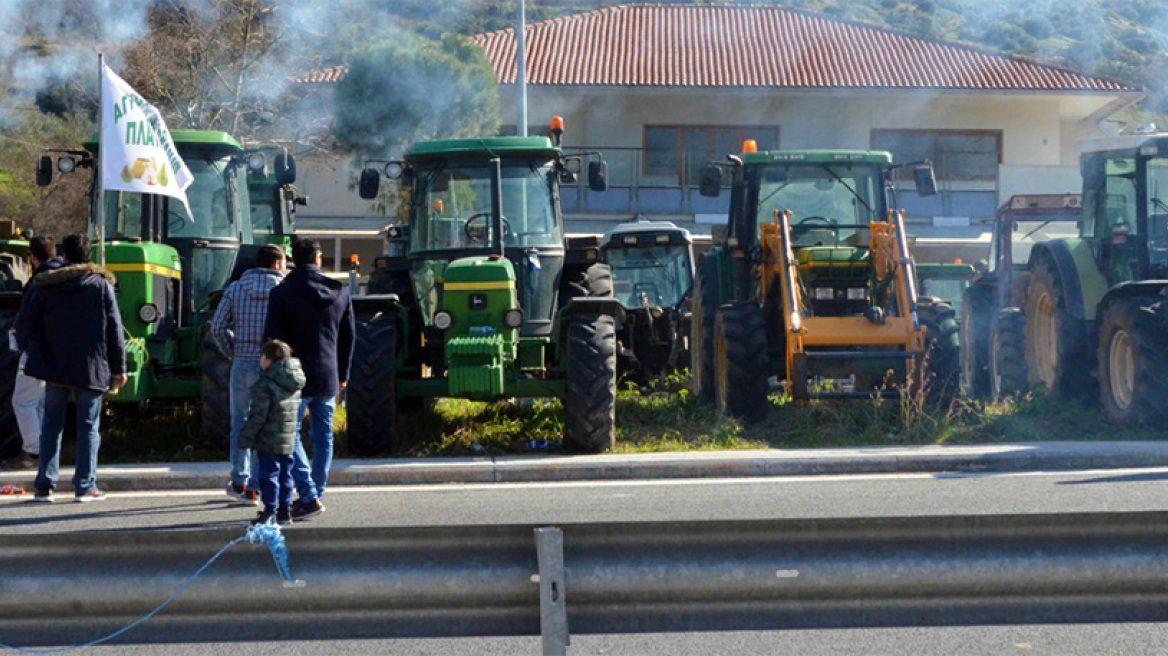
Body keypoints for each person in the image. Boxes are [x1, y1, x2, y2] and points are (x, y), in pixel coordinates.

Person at [16, 233, 126, 502]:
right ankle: (85, 486)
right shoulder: (101, 286)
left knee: (51, 426)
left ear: (63, 256)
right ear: (88, 256)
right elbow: (114, 330)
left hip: (55, 366)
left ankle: (45, 485)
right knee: (88, 427)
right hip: (91, 366)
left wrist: (39, 354)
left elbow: (27, 326)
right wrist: (119, 368)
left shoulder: (47, 284)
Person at [265, 238, 354, 520]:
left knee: (288, 434)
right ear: (318, 259)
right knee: (323, 436)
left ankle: (308, 495)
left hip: (292, 377)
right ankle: (316, 493)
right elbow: (349, 337)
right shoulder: (340, 292)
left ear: (293, 260)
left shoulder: (281, 293)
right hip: (328, 374)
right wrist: (343, 373)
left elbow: (273, 339)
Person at [211, 244, 287, 505]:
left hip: (242, 363)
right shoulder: (284, 289)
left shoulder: (236, 288)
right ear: (276, 264)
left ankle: (240, 481)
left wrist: (232, 351)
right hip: (274, 365)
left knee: (241, 424)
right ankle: (258, 484)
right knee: (267, 426)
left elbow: (218, 327)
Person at [1, 236, 63, 471]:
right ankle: (46, 451)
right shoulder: (64, 278)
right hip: (58, 349)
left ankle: (34, 451)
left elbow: (27, 318)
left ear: (33, 258)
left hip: (38, 350)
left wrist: (20, 338)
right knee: (41, 402)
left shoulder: (38, 282)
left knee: (23, 402)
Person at [237, 340, 305, 526]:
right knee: (286, 475)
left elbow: (258, 415)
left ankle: (269, 511)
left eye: (262, 357)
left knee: (269, 476)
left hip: (268, 438)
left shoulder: (265, 383)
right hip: (288, 437)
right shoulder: (294, 381)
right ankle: (285, 511)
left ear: (269, 359)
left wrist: (246, 436)